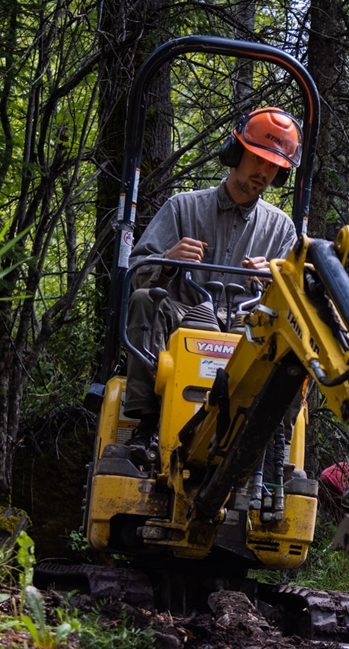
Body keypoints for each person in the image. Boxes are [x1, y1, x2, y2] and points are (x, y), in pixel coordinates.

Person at [124, 107, 301, 449]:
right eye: (257, 160)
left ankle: (272, 443)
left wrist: (273, 280)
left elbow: (295, 299)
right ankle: (146, 424)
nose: (263, 172)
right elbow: (138, 273)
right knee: (145, 300)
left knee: (294, 336)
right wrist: (168, 260)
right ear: (235, 153)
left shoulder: (281, 230)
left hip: (247, 328)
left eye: (273, 166)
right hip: (183, 316)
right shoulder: (182, 208)